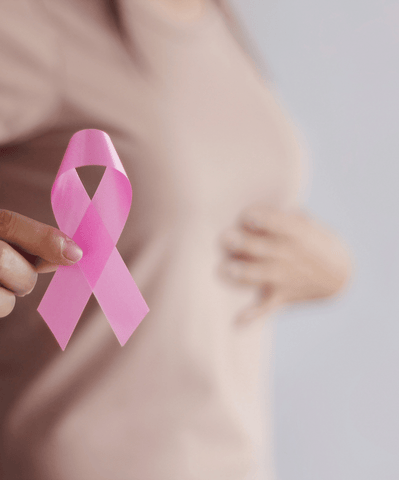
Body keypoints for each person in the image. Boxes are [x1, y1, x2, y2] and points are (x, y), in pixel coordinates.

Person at [0, 0, 352, 478]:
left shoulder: (215, 20)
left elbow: (200, 219)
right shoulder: (34, 21)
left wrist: (331, 271)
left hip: (233, 459)